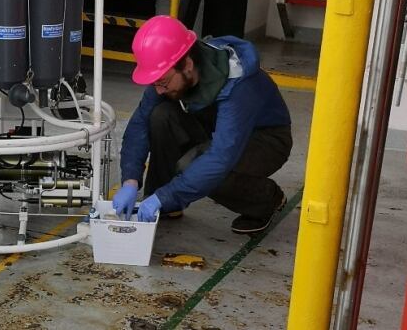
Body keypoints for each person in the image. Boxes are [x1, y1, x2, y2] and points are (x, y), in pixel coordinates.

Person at [112, 15, 292, 234]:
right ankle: (165, 204)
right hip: (214, 125)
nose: (158, 89)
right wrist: (130, 180)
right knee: (160, 115)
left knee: (204, 168)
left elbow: (220, 157)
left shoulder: (238, 86)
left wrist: (165, 196)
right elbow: (139, 123)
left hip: (266, 139)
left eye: (163, 82)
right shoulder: (172, 69)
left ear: (187, 64)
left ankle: (267, 200)